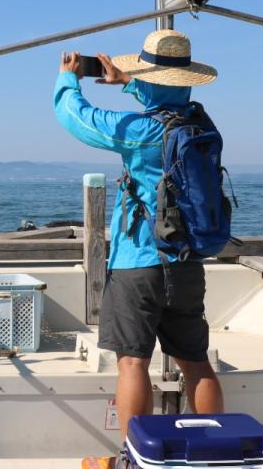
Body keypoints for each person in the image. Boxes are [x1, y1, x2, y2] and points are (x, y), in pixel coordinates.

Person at [52, 29, 224, 443]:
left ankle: (136, 455)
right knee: (196, 362)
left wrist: (67, 79)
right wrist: (129, 83)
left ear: (150, 77)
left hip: (138, 265)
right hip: (186, 261)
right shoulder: (200, 124)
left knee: (132, 363)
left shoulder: (140, 131)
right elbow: (164, 103)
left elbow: (78, 119)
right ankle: (212, 449)